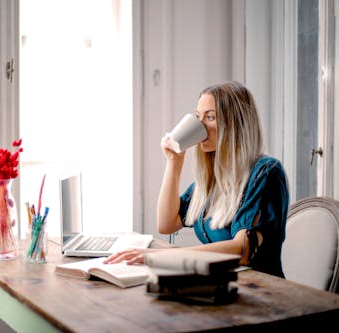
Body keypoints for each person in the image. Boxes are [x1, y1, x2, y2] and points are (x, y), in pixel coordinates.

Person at [105, 81, 289, 278]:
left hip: (261, 290)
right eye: (197, 117)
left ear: (236, 124)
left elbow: (242, 249)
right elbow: (167, 223)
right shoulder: (215, 177)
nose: (200, 125)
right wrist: (174, 163)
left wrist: (162, 255)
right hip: (221, 282)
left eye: (210, 117)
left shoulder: (266, 172)